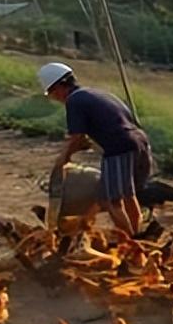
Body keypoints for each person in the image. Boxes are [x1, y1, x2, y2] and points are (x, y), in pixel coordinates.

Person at [38, 61, 152, 235]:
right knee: (128, 195)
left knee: (110, 201)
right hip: (139, 141)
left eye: (53, 93)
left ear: (60, 86)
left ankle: (131, 242)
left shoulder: (74, 101)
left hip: (118, 147)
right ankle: (137, 234)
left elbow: (77, 137)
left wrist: (63, 158)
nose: (54, 98)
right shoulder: (96, 93)